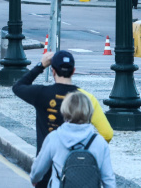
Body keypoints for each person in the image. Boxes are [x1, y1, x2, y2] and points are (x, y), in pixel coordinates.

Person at [13, 50, 113, 187]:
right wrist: (90, 148)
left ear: (53, 71)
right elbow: (107, 133)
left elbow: (18, 87)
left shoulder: (41, 94)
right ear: (73, 71)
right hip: (83, 176)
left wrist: (41, 65)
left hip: (47, 172)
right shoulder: (85, 98)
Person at [29, 91, 116, 188]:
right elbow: (108, 179)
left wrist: (34, 179)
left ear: (65, 110)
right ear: (89, 111)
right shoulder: (99, 142)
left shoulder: (54, 138)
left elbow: (38, 170)